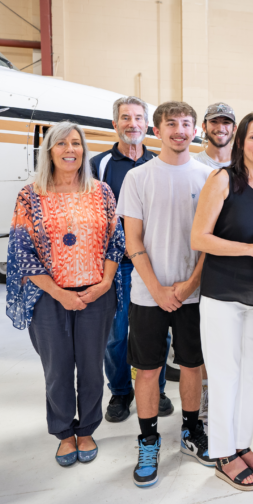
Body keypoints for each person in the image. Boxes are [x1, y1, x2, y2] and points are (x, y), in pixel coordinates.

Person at [6, 121, 123, 467]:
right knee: (57, 368)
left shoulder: (101, 191)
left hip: (96, 295)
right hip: (48, 298)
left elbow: (116, 242)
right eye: (61, 144)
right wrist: (59, 293)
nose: (69, 149)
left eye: (76, 143)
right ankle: (63, 433)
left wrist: (103, 284)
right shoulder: (30, 195)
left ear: (84, 150)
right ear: (49, 151)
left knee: (90, 367)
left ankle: (86, 429)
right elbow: (21, 252)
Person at [117, 101, 214, 488]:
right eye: (171, 123)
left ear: (195, 130)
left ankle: (191, 432)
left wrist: (190, 284)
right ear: (157, 130)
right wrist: (157, 289)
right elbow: (132, 239)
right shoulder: (138, 179)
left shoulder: (209, 177)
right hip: (147, 295)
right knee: (148, 369)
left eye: (186, 123)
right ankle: (148, 439)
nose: (179, 130)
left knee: (192, 365)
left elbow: (210, 243)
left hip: (193, 293)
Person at [192, 112, 253, 492]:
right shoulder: (222, 179)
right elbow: (199, 238)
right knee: (225, 375)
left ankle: (241, 444)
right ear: (240, 142)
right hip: (223, 295)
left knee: (252, 375)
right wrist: (250, 249)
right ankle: (221, 454)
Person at [89, 97, 173, 424]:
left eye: (138, 117)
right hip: (117, 264)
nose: (132, 124)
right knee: (116, 334)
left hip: (153, 264)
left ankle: (158, 388)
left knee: (157, 332)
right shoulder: (99, 166)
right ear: (115, 124)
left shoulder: (158, 163)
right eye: (125, 118)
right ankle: (121, 391)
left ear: (147, 125)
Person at [194, 102, 235, 170]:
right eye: (214, 122)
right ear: (204, 127)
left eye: (226, 122)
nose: (220, 128)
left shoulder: (244, 163)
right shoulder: (195, 164)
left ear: (234, 129)